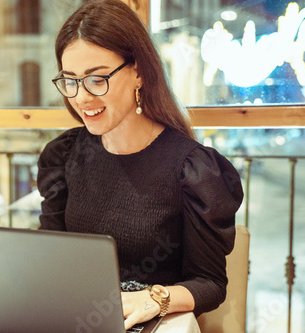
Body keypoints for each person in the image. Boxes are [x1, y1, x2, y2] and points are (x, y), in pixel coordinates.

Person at [37, 0, 244, 329]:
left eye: (97, 79)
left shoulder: (192, 168)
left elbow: (210, 284)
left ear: (138, 73)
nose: (82, 98)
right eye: (71, 80)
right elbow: (50, 256)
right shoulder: (64, 155)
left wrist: (153, 299)